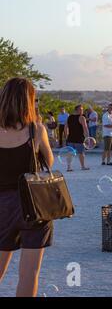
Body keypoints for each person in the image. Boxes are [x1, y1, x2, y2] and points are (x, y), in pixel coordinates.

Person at [0, 77, 54, 297]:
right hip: (32, 204)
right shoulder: (36, 130)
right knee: (29, 273)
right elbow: (48, 163)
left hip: (2, 205)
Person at [65, 105, 90, 172]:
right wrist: (88, 138)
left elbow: (65, 127)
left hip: (70, 138)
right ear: (76, 110)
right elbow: (85, 128)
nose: (82, 111)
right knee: (81, 153)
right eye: (81, 109)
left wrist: (66, 136)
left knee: (70, 153)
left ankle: (69, 167)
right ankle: (83, 166)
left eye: (82, 109)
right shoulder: (82, 118)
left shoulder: (69, 117)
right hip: (79, 139)